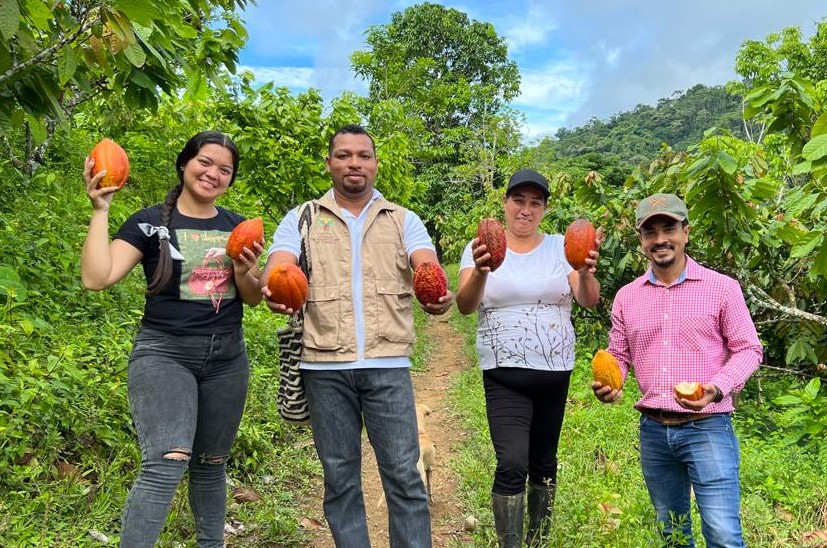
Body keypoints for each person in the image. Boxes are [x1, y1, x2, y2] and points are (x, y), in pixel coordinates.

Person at [260, 124, 452, 548]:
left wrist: (433, 285)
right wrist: (275, 282)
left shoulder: (403, 220)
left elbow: (425, 261)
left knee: (404, 475)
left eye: (363, 155)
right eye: (344, 155)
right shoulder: (303, 218)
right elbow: (280, 262)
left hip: (388, 366)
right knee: (340, 479)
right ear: (329, 163)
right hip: (324, 367)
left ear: (375, 164)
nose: (354, 163)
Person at [81, 131, 263, 547]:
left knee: (211, 464)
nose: (212, 173)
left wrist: (243, 271)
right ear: (184, 164)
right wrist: (100, 210)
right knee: (166, 461)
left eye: (225, 169)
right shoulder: (149, 222)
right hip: (165, 355)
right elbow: (97, 277)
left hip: (227, 359)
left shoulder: (239, 226)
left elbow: (251, 298)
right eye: (205, 161)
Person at [591, 193, 763, 548]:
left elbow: (749, 349)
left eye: (668, 228)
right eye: (649, 232)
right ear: (641, 241)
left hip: (709, 426)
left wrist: (716, 388)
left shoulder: (722, 288)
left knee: (723, 535)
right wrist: (612, 383)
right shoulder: (627, 296)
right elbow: (619, 355)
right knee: (672, 533)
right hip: (653, 430)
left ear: (685, 232)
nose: (660, 239)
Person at [455, 169, 601, 547]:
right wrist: (482, 271)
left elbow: (587, 299)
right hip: (504, 374)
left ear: (544, 209)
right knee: (512, 462)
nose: (526, 209)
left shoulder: (560, 247)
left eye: (535, 202)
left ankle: (537, 540)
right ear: (505, 204)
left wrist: (585, 272)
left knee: (543, 464)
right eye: (518, 200)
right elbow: (465, 305)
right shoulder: (481, 247)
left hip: (555, 373)